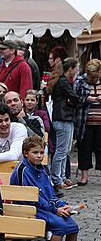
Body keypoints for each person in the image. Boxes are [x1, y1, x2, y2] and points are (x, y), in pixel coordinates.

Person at [11, 135, 87, 241]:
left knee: (73, 227)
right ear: (26, 153)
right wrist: (54, 209)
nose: (39, 156)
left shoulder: (41, 169)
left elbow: (49, 193)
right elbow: (30, 198)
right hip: (28, 209)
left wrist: (61, 205)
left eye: (42, 152)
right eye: (35, 152)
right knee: (60, 226)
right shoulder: (23, 170)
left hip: (44, 207)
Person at [50, 58, 79, 190]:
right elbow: (74, 98)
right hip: (62, 118)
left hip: (65, 117)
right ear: (70, 69)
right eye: (76, 68)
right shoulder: (63, 82)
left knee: (65, 150)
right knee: (61, 151)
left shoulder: (63, 81)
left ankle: (61, 177)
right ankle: (57, 178)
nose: (77, 70)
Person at [75, 59, 101, 186]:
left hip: (100, 123)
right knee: (84, 149)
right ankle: (84, 176)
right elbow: (74, 99)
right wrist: (86, 99)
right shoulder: (80, 81)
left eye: (95, 77)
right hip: (85, 121)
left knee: (100, 149)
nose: (93, 79)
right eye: (91, 77)